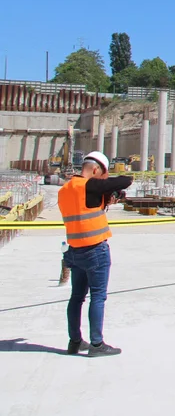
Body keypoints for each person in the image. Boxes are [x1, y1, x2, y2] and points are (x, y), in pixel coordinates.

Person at [57, 151, 132, 357]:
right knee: (97, 297)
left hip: (74, 251)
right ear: (96, 169)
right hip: (95, 251)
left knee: (76, 298)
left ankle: (74, 342)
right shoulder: (89, 185)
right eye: (103, 176)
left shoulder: (65, 189)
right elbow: (125, 180)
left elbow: (85, 208)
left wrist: (107, 198)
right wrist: (110, 187)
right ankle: (96, 345)